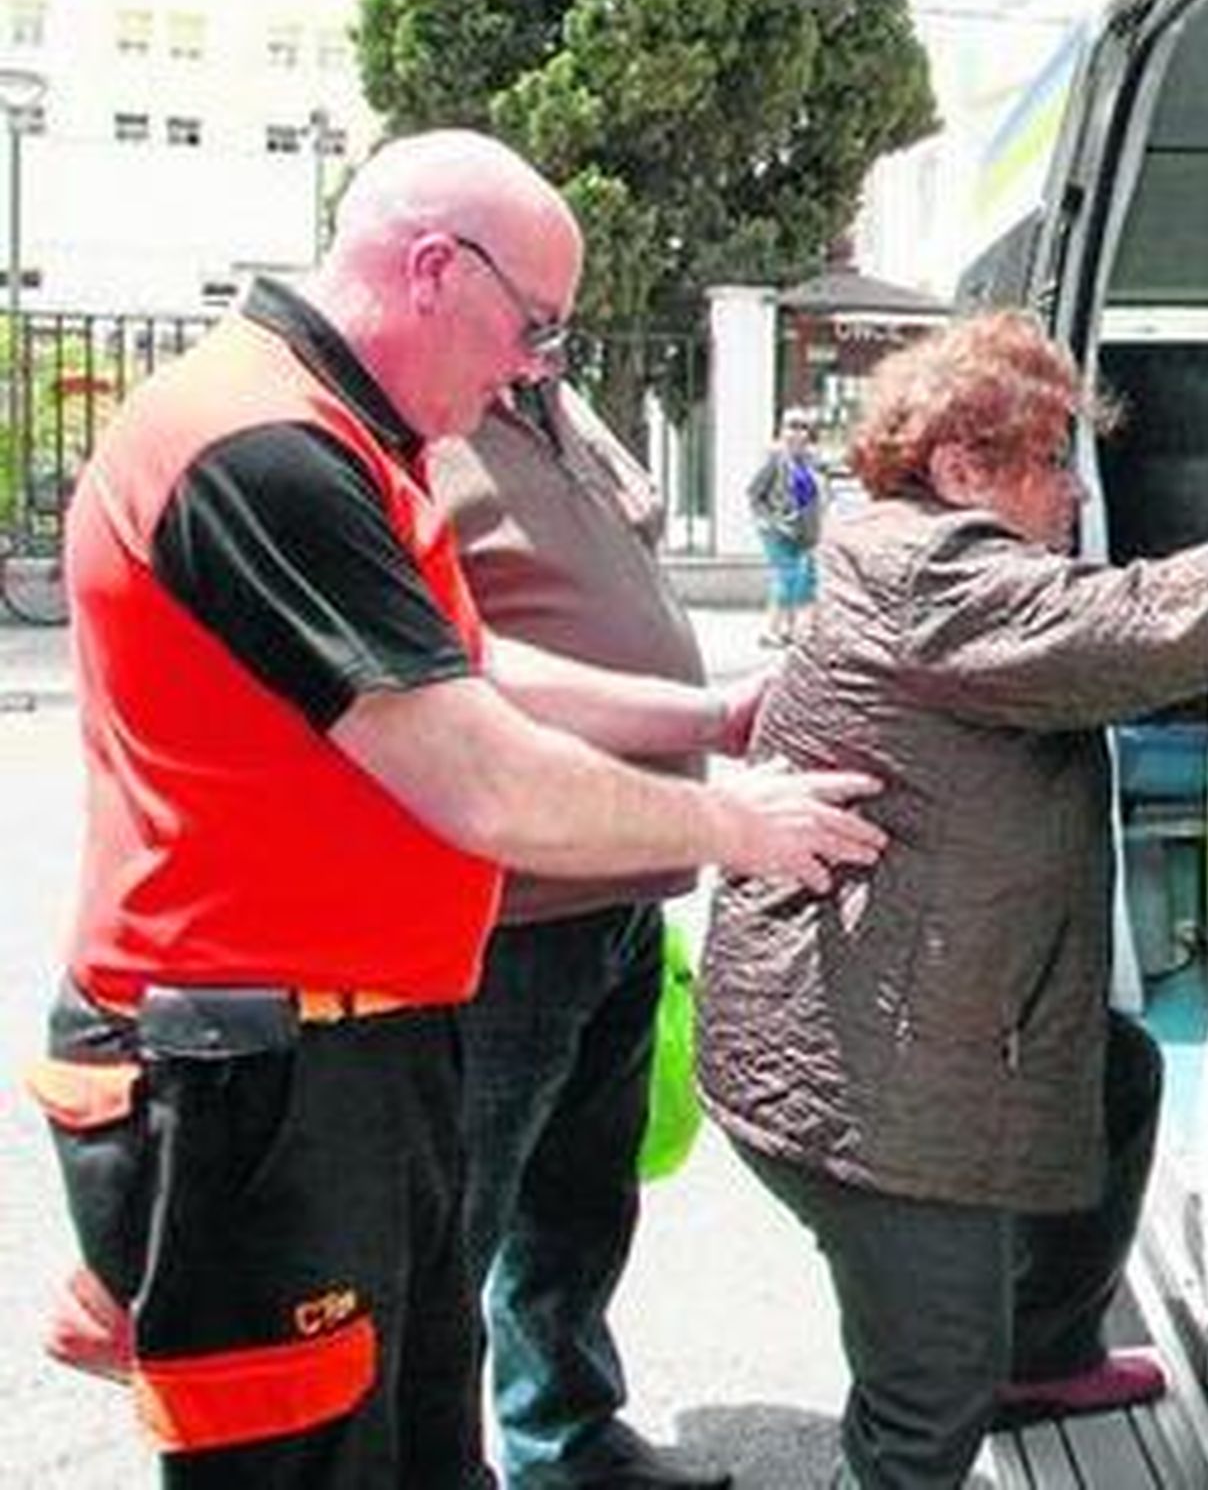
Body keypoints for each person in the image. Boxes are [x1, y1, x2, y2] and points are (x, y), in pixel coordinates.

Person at [29, 129, 884, 1490]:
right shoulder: (263, 449)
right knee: (305, 1459)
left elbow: (461, 663)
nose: (534, 366)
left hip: (350, 1051)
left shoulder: (348, 435)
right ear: (434, 267)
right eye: (533, 324)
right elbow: (474, 767)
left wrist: (702, 716)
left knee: (421, 1434)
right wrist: (738, 821)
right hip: (255, 1079)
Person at [697, 310, 1208, 1490]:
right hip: (866, 1078)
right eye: (1050, 465)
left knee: (1116, 1075)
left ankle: (1040, 1357)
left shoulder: (916, 557)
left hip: (897, 1013)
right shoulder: (933, 571)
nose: (1074, 496)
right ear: (959, 469)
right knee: (928, 1378)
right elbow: (1133, 628)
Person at [431, 381, 733, 1490]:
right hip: (513, 909)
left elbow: (635, 515)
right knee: (461, 1215)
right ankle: (431, 1455)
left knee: (582, 1194)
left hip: (616, 891)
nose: (547, 328)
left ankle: (564, 1436)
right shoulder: (419, 411)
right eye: (531, 306)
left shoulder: (543, 401)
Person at [746, 407, 824, 645]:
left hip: (804, 532)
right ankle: (770, 631)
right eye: (791, 426)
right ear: (781, 430)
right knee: (786, 577)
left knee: (805, 581)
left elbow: (816, 496)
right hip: (777, 531)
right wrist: (771, 521)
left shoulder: (810, 460)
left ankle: (793, 629)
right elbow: (754, 493)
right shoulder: (775, 458)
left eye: (802, 427)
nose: (797, 433)